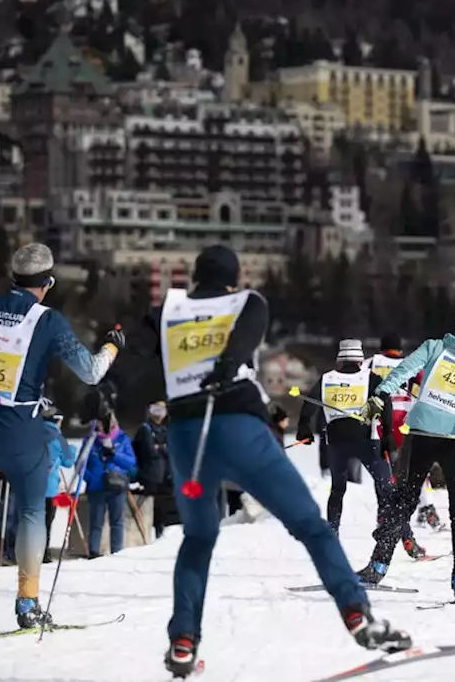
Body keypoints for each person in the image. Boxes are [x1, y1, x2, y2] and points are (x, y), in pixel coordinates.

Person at [149, 245, 410, 676]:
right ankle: (358, 614)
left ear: (196, 277)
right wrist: (229, 362)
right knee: (311, 526)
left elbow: (147, 360)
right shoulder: (245, 302)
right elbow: (250, 330)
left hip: (185, 436)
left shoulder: (169, 309)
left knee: (197, 540)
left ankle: (182, 640)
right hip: (239, 429)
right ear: (233, 280)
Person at [0, 243, 124, 629]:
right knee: (31, 512)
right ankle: (27, 604)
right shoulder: (48, 320)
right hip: (22, 434)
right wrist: (113, 345)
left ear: (12, 278)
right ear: (48, 283)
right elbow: (92, 372)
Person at [357, 306, 455, 603]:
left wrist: (378, 396)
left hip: (420, 434)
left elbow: (402, 371)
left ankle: (377, 566)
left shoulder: (434, 347)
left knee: (402, 501)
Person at [295, 339, 423, 558]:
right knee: (389, 492)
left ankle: (331, 541)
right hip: (368, 443)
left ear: (340, 359)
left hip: (336, 444)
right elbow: (386, 403)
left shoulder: (327, 378)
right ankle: (408, 541)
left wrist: (304, 429)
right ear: (360, 359)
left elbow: (309, 405)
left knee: (337, 491)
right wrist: (389, 436)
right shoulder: (370, 378)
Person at [371, 333, 443, 531]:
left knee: (387, 469)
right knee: (415, 465)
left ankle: (385, 514)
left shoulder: (372, 363)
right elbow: (428, 383)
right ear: (400, 350)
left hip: (380, 421)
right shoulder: (410, 363)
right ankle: (427, 509)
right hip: (405, 420)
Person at [83, 407, 137, 557]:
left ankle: (117, 552)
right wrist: (91, 477)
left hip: (117, 485)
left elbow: (130, 462)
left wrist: (114, 454)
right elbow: (81, 464)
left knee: (117, 522)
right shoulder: (90, 440)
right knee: (96, 523)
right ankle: (93, 552)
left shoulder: (122, 439)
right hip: (97, 487)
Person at [134, 400, 173, 539]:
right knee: (151, 506)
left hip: (165, 474)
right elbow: (149, 450)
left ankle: (160, 533)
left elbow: (172, 449)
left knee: (163, 508)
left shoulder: (165, 429)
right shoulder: (145, 429)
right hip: (150, 475)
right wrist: (161, 448)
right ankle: (147, 534)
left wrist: (161, 447)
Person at [42, 406, 75, 562]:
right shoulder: (58, 437)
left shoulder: (31, 434)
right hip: (49, 488)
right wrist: (73, 449)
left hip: (30, 487)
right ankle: (44, 554)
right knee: (46, 522)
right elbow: (68, 461)